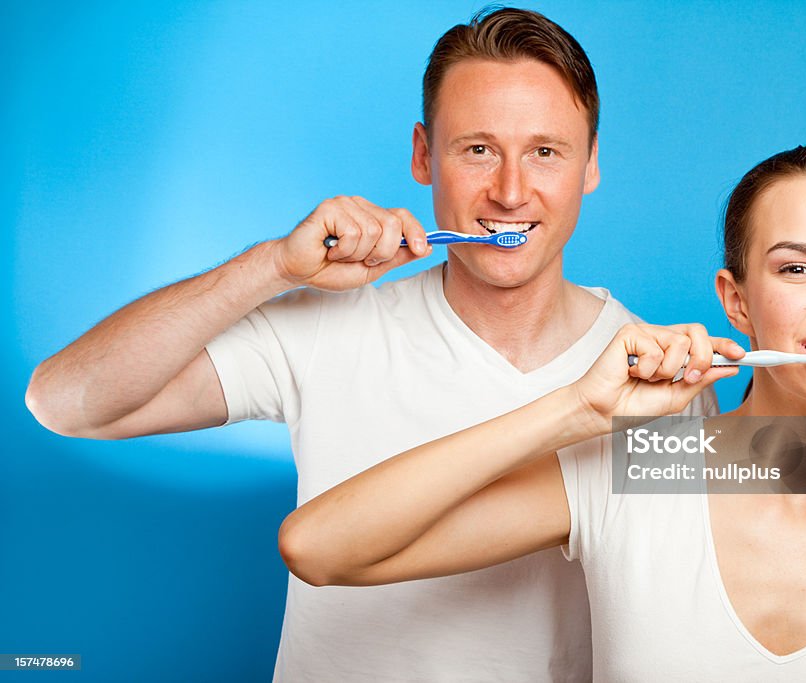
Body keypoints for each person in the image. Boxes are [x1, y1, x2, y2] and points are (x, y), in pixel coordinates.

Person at [24, 7, 723, 681]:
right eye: (478, 149)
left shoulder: (661, 378)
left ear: (591, 165)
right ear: (424, 155)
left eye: (545, 152)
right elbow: (66, 401)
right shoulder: (333, 324)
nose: (511, 191)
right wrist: (271, 266)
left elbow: (702, 599)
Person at [279, 143, 806, 682]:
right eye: (797, 267)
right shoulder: (640, 473)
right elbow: (319, 546)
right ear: (736, 300)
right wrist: (576, 407)